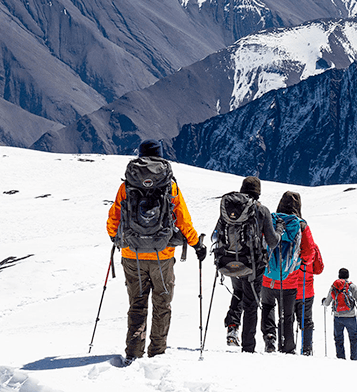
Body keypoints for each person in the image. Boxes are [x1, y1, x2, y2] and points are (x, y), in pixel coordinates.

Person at [106, 139, 205, 365]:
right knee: (162, 304)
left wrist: (116, 238)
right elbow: (183, 220)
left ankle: (133, 352)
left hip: (133, 256)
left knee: (137, 304)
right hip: (163, 255)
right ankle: (157, 352)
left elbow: (113, 218)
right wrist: (196, 244)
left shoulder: (127, 185)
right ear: (161, 156)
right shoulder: (169, 186)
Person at [214, 176, 279, 353]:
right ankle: (248, 347)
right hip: (253, 265)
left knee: (238, 292)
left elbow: (216, 234)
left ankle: (232, 328)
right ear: (258, 192)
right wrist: (279, 231)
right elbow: (272, 242)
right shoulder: (262, 210)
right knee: (251, 303)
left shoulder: (229, 208)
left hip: (230, 262)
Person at [260, 191, 317, 354]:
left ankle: (270, 337)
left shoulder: (270, 219)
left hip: (268, 276)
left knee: (267, 306)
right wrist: (300, 263)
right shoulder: (301, 225)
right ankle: (287, 347)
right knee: (287, 315)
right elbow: (309, 252)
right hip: (289, 279)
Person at [323, 268, 357, 360]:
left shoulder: (334, 286)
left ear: (339, 276)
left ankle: (341, 359)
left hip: (337, 316)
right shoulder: (352, 286)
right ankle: (355, 359)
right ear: (348, 276)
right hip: (350, 317)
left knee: (338, 339)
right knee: (354, 338)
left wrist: (323, 302)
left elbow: (327, 302)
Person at [294, 229, 323, 356]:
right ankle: (307, 349)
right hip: (307, 291)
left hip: (288, 288)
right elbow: (318, 269)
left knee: (287, 319)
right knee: (306, 321)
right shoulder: (312, 247)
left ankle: (285, 345)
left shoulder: (287, 243)